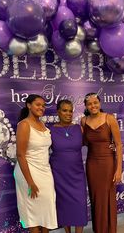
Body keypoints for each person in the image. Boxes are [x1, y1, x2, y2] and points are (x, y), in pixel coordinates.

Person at [14, 94, 57, 233]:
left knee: (47, 208)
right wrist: (30, 182)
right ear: (28, 105)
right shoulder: (24, 125)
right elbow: (20, 155)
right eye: (38, 104)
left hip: (45, 171)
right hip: (28, 172)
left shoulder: (42, 124)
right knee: (31, 211)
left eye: (44, 106)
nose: (41, 108)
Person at [81, 93, 123, 233]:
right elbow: (82, 142)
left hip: (108, 163)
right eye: (90, 104)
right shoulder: (83, 121)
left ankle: (109, 229)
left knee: (107, 196)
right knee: (95, 197)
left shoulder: (109, 118)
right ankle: (98, 230)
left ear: (99, 103)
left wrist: (118, 170)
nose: (93, 106)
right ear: (86, 106)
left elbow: (118, 144)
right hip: (92, 163)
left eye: (95, 102)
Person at [49, 99, 88, 233]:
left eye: (70, 111)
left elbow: (94, 141)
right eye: (65, 110)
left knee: (80, 204)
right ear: (58, 112)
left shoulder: (79, 128)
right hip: (59, 174)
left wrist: (110, 144)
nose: (68, 114)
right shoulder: (50, 130)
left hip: (77, 173)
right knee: (63, 205)